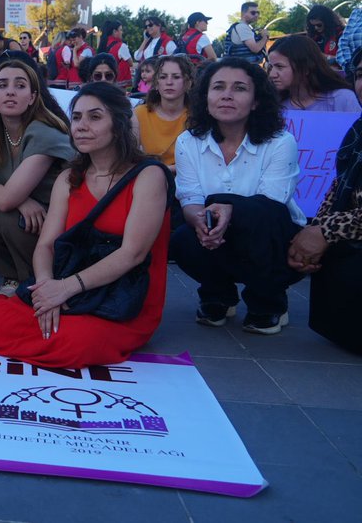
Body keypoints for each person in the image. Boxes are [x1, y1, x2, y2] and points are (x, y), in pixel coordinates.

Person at [0, 82, 172, 369]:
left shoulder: (149, 176)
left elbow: (132, 253)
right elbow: (46, 245)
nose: (81, 126)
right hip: (68, 287)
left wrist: (65, 288)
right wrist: (46, 290)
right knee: (1, 323)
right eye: (77, 117)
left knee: (77, 344)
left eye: (95, 117)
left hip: (122, 295)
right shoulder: (69, 179)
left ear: (118, 125)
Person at [170, 58, 304, 335]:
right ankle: (217, 294)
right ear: (205, 97)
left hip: (272, 236)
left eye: (240, 88)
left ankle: (268, 302)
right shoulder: (187, 141)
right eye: (218, 87)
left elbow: (273, 203)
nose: (227, 95)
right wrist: (200, 222)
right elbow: (190, 198)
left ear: (256, 101)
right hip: (215, 233)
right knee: (183, 238)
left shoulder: (281, 142)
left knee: (261, 220)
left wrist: (230, 209)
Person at [0, 59, 75, 296]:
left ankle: (33, 280)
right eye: (2, 85)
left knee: (10, 216)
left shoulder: (44, 131)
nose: (10, 91)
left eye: (20, 86)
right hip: (23, 207)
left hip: (61, 215)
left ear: (32, 97)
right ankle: (12, 276)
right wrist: (19, 200)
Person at [292, 49, 362, 354]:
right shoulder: (358, 129)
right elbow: (338, 188)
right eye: (360, 75)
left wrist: (325, 232)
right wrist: (312, 234)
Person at [268, 34, 360, 113]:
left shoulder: (341, 99)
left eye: (280, 67)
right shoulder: (275, 105)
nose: (272, 75)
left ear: (306, 68)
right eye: (270, 67)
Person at [132, 55, 194, 170]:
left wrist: (166, 170)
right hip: (150, 176)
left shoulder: (196, 115)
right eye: (163, 77)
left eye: (176, 77)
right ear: (156, 83)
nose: (169, 82)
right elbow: (130, 157)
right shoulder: (139, 114)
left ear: (187, 83)